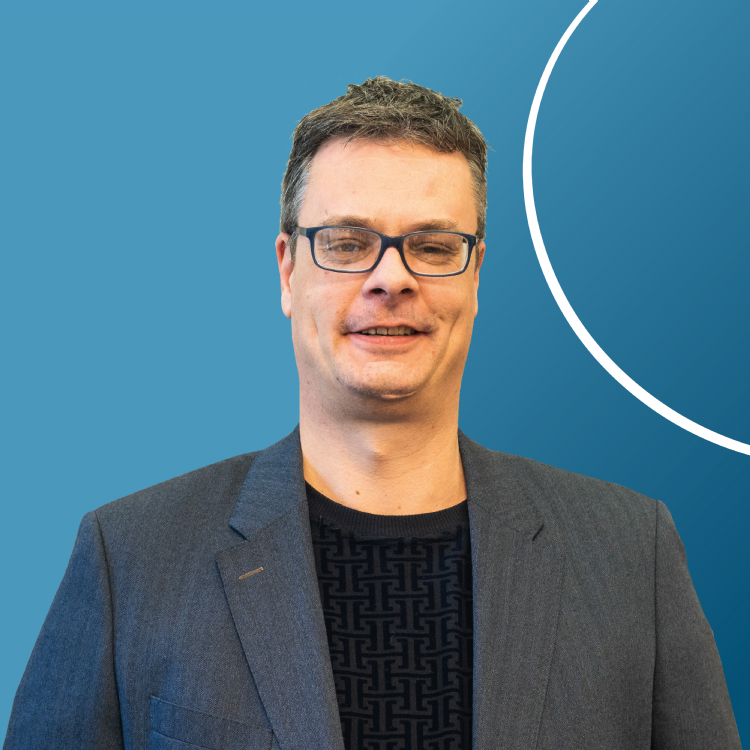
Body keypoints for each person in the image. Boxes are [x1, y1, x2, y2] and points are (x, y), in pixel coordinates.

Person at [3, 77, 741, 750]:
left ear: (476, 273)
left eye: (433, 246)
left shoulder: (630, 554)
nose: (392, 278)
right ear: (288, 269)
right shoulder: (130, 557)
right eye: (349, 243)